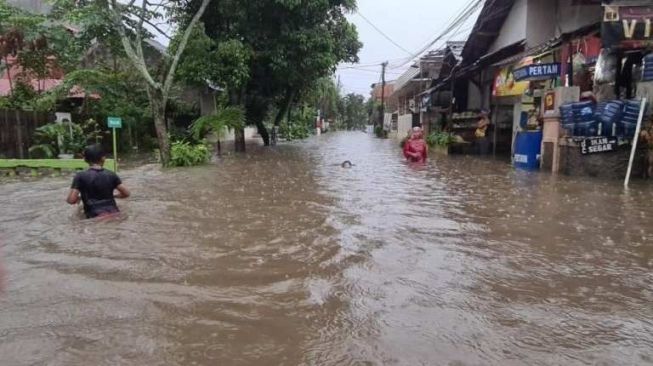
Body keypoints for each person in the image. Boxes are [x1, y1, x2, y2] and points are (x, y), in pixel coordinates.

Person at [66, 144, 130, 219]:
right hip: (114, 213)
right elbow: (126, 194)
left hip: (94, 216)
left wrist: (80, 198)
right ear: (103, 158)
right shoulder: (111, 174)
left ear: (85, 160)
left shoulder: (80, 176)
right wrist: (113, 196)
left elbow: (71, 200)